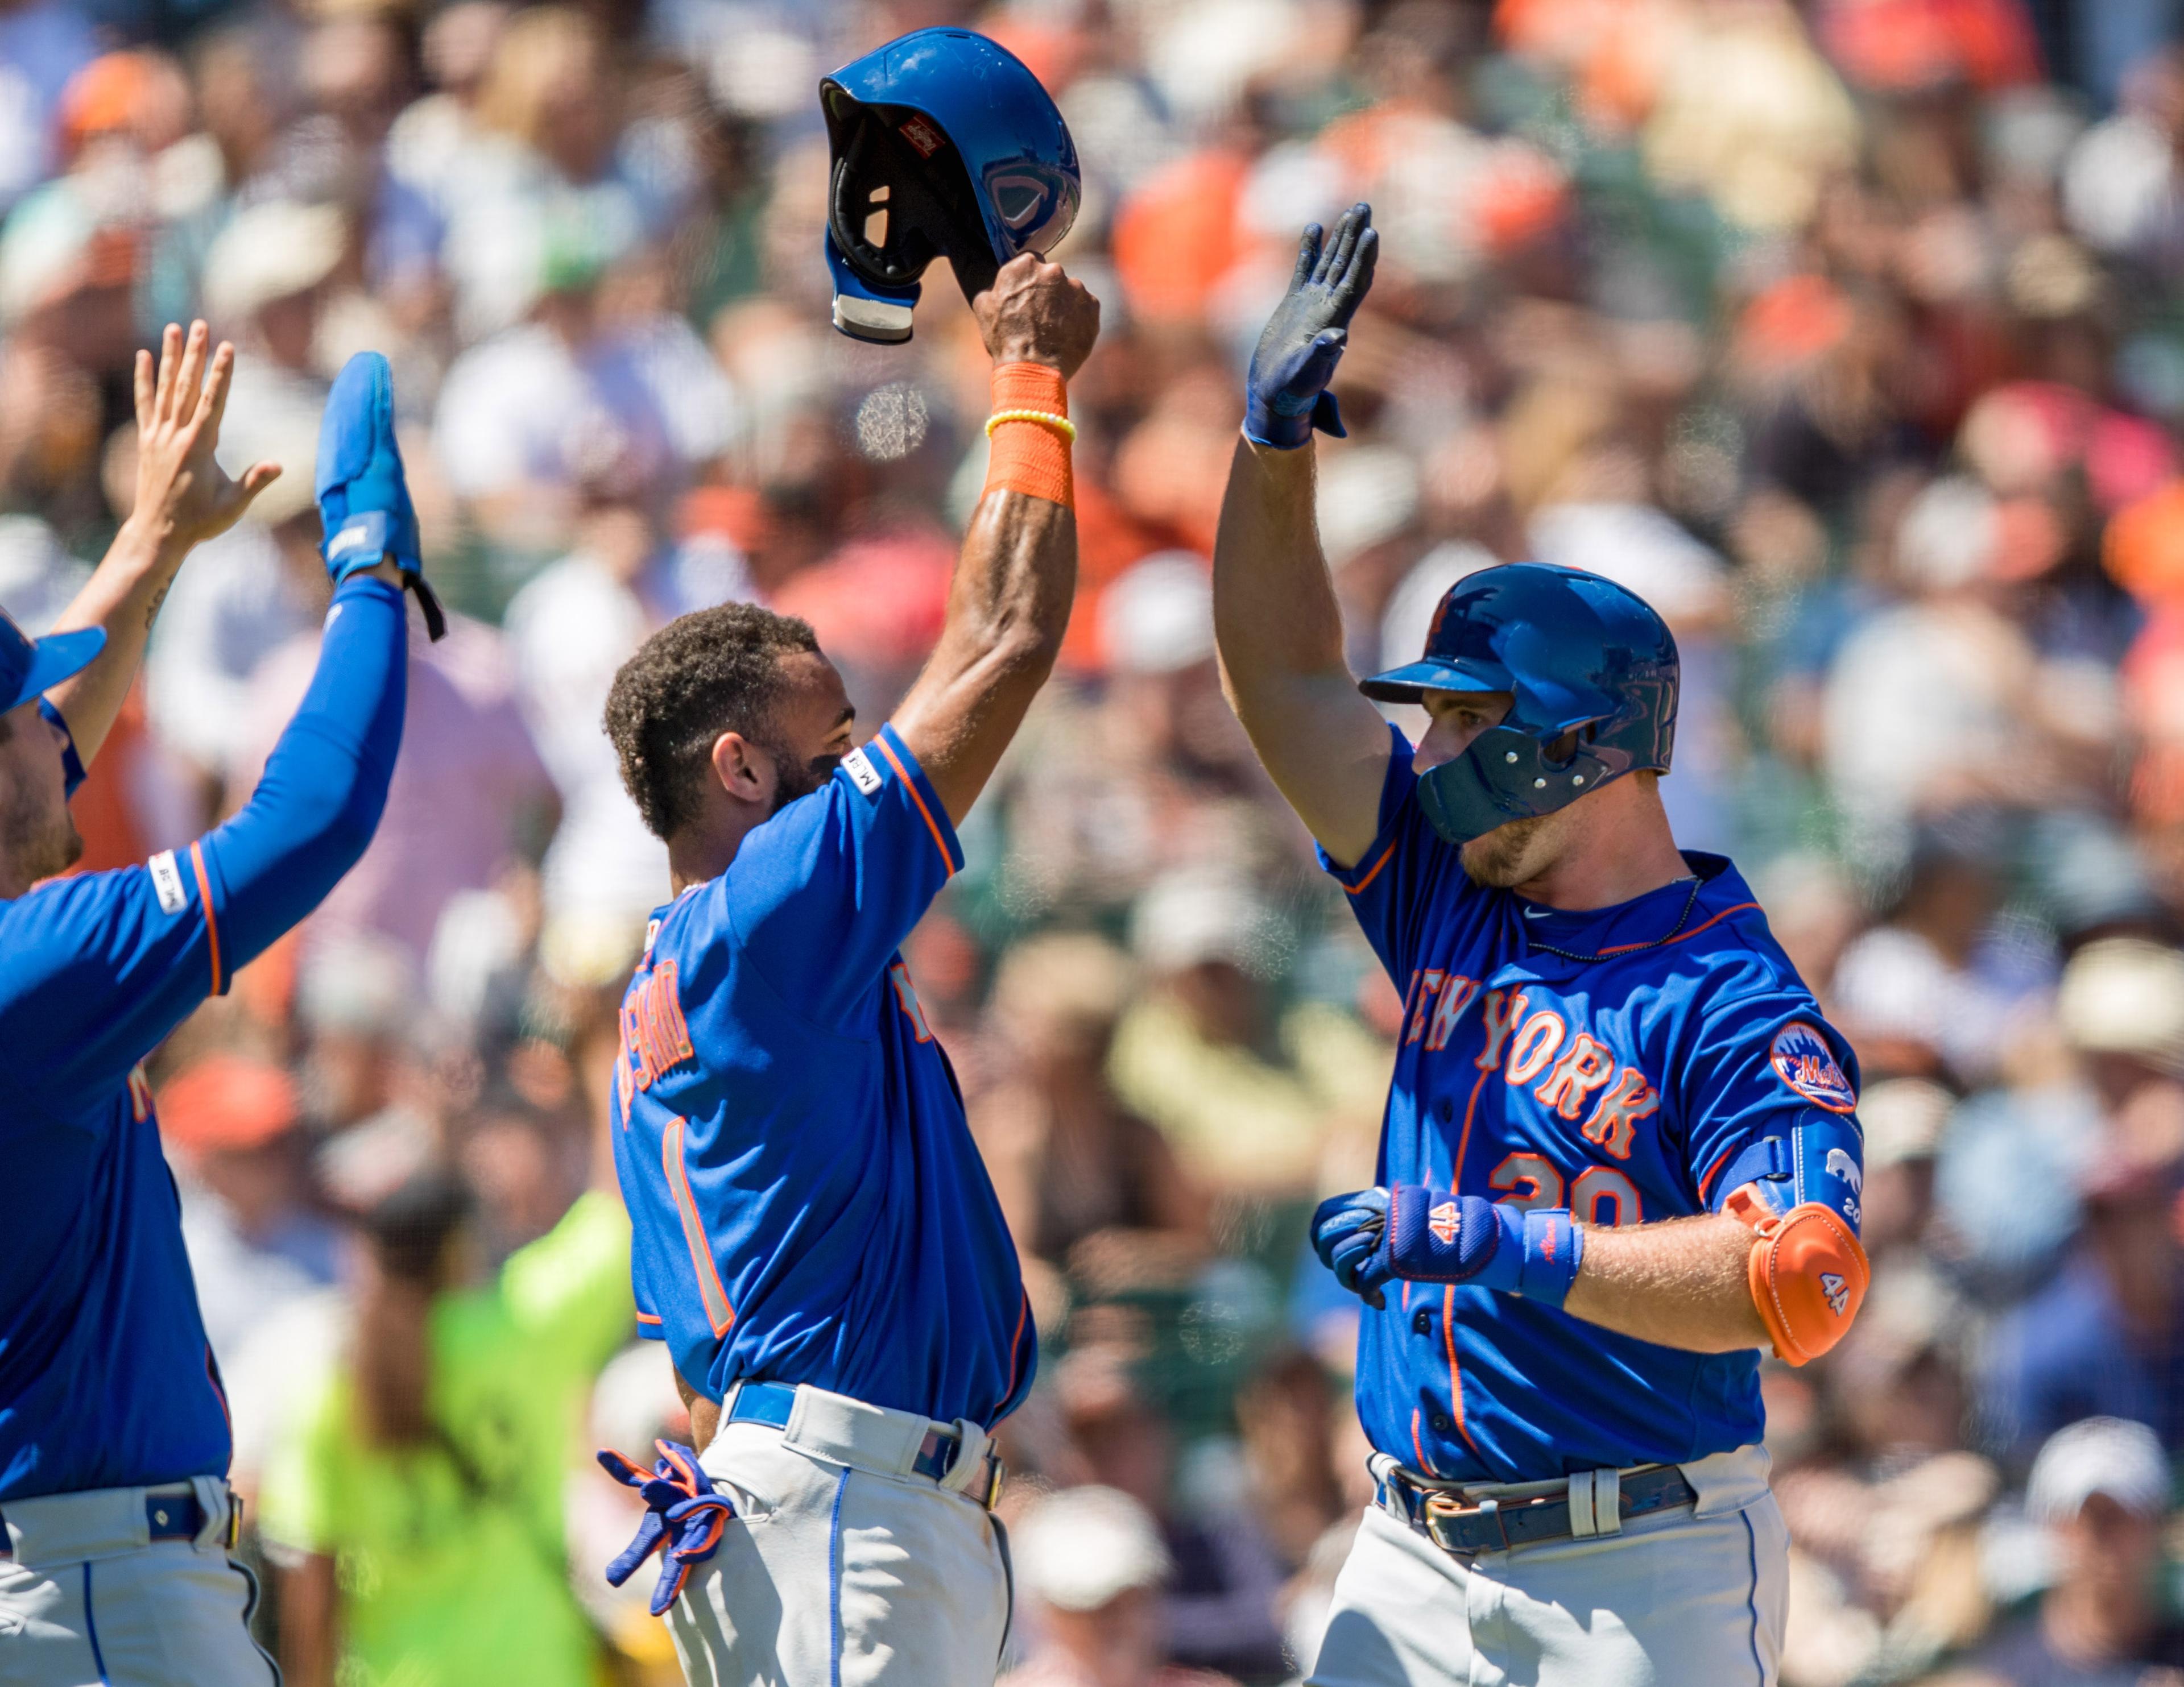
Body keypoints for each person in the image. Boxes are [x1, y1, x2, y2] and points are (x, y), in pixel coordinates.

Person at [1211, 204, 1869, 1686]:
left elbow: (1803, 1276)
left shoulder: (1733, 999)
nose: (1428, 742)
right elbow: (1284, 679)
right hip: (1408, 1545)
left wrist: (1508, 1242)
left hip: (1640, 1569)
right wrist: (1270, 451)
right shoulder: (1456, 888)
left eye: (1463, 713)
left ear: (1578, 747)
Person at [595, 245, 1097, 1686]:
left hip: (813, 1489)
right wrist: (1029, 375)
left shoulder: (672, 985)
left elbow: (694, 1370)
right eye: (831, 752)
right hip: (842, 1496)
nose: (861, 770)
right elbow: (1003, 638)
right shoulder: (765, 909)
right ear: (738, 770)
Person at [0, 328, 431, 1682]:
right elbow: (314, 817)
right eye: (24, 714)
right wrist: (370, 575)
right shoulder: (37, 966)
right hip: (91, 1589)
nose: (67, 729)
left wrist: (151, 546)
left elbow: (58, 727)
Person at [259, 1166, 634, 1687]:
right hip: (538, 1668)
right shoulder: (524, 1323)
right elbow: (614, 1212)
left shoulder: (331, 1390)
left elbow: (313, 1582)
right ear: (458, 1249)